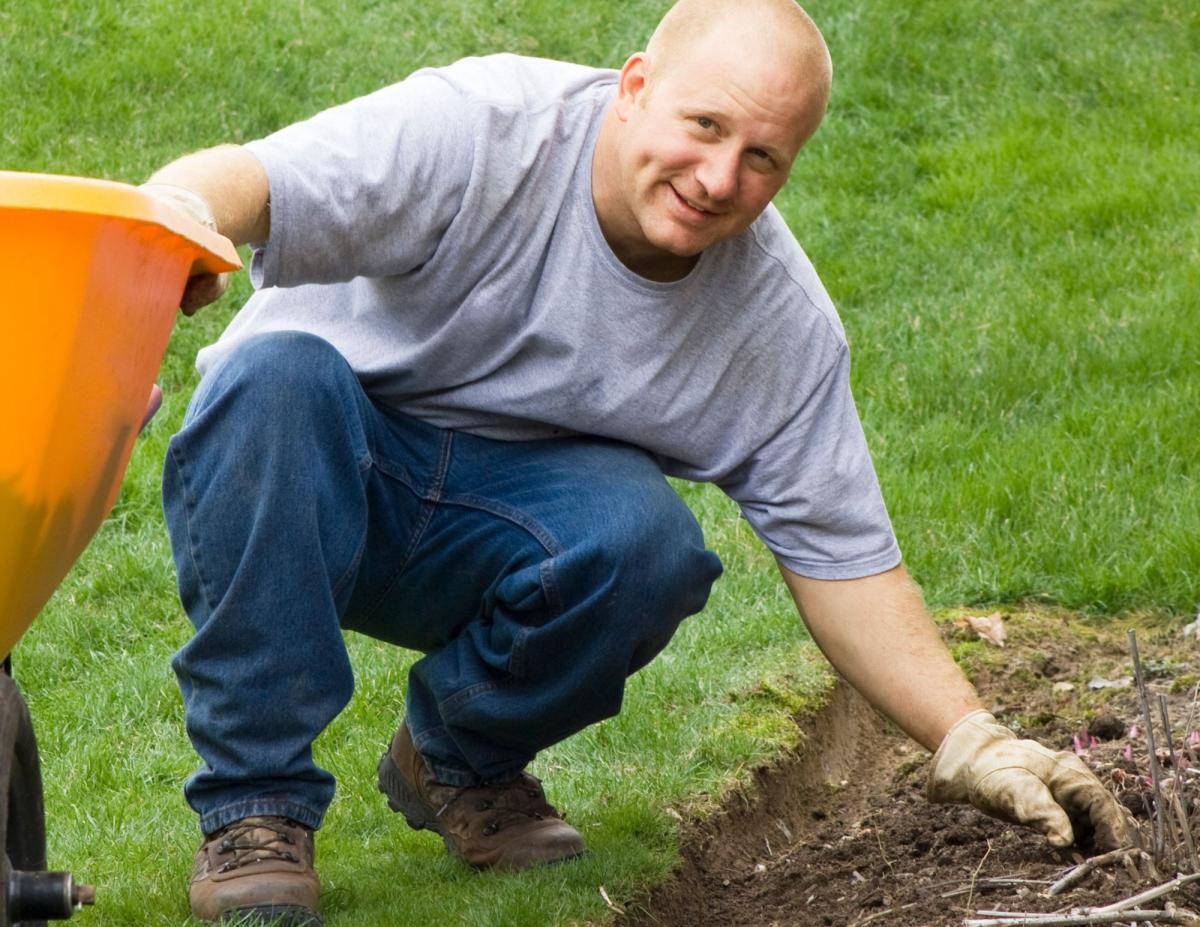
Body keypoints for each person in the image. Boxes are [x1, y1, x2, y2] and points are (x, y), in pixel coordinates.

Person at [142, 1, 1130, 924]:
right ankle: (254, 813)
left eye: (762, 158)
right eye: (704, 126)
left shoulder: (773, 327)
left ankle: (457, 758)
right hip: (296, 476)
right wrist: (143, 259)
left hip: (496, 527)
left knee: (649, 544)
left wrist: (972, 736)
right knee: (277, 374)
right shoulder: (482, 130)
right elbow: (247, 181)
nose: (718, 180)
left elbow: (847, 560)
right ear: (633, 86)